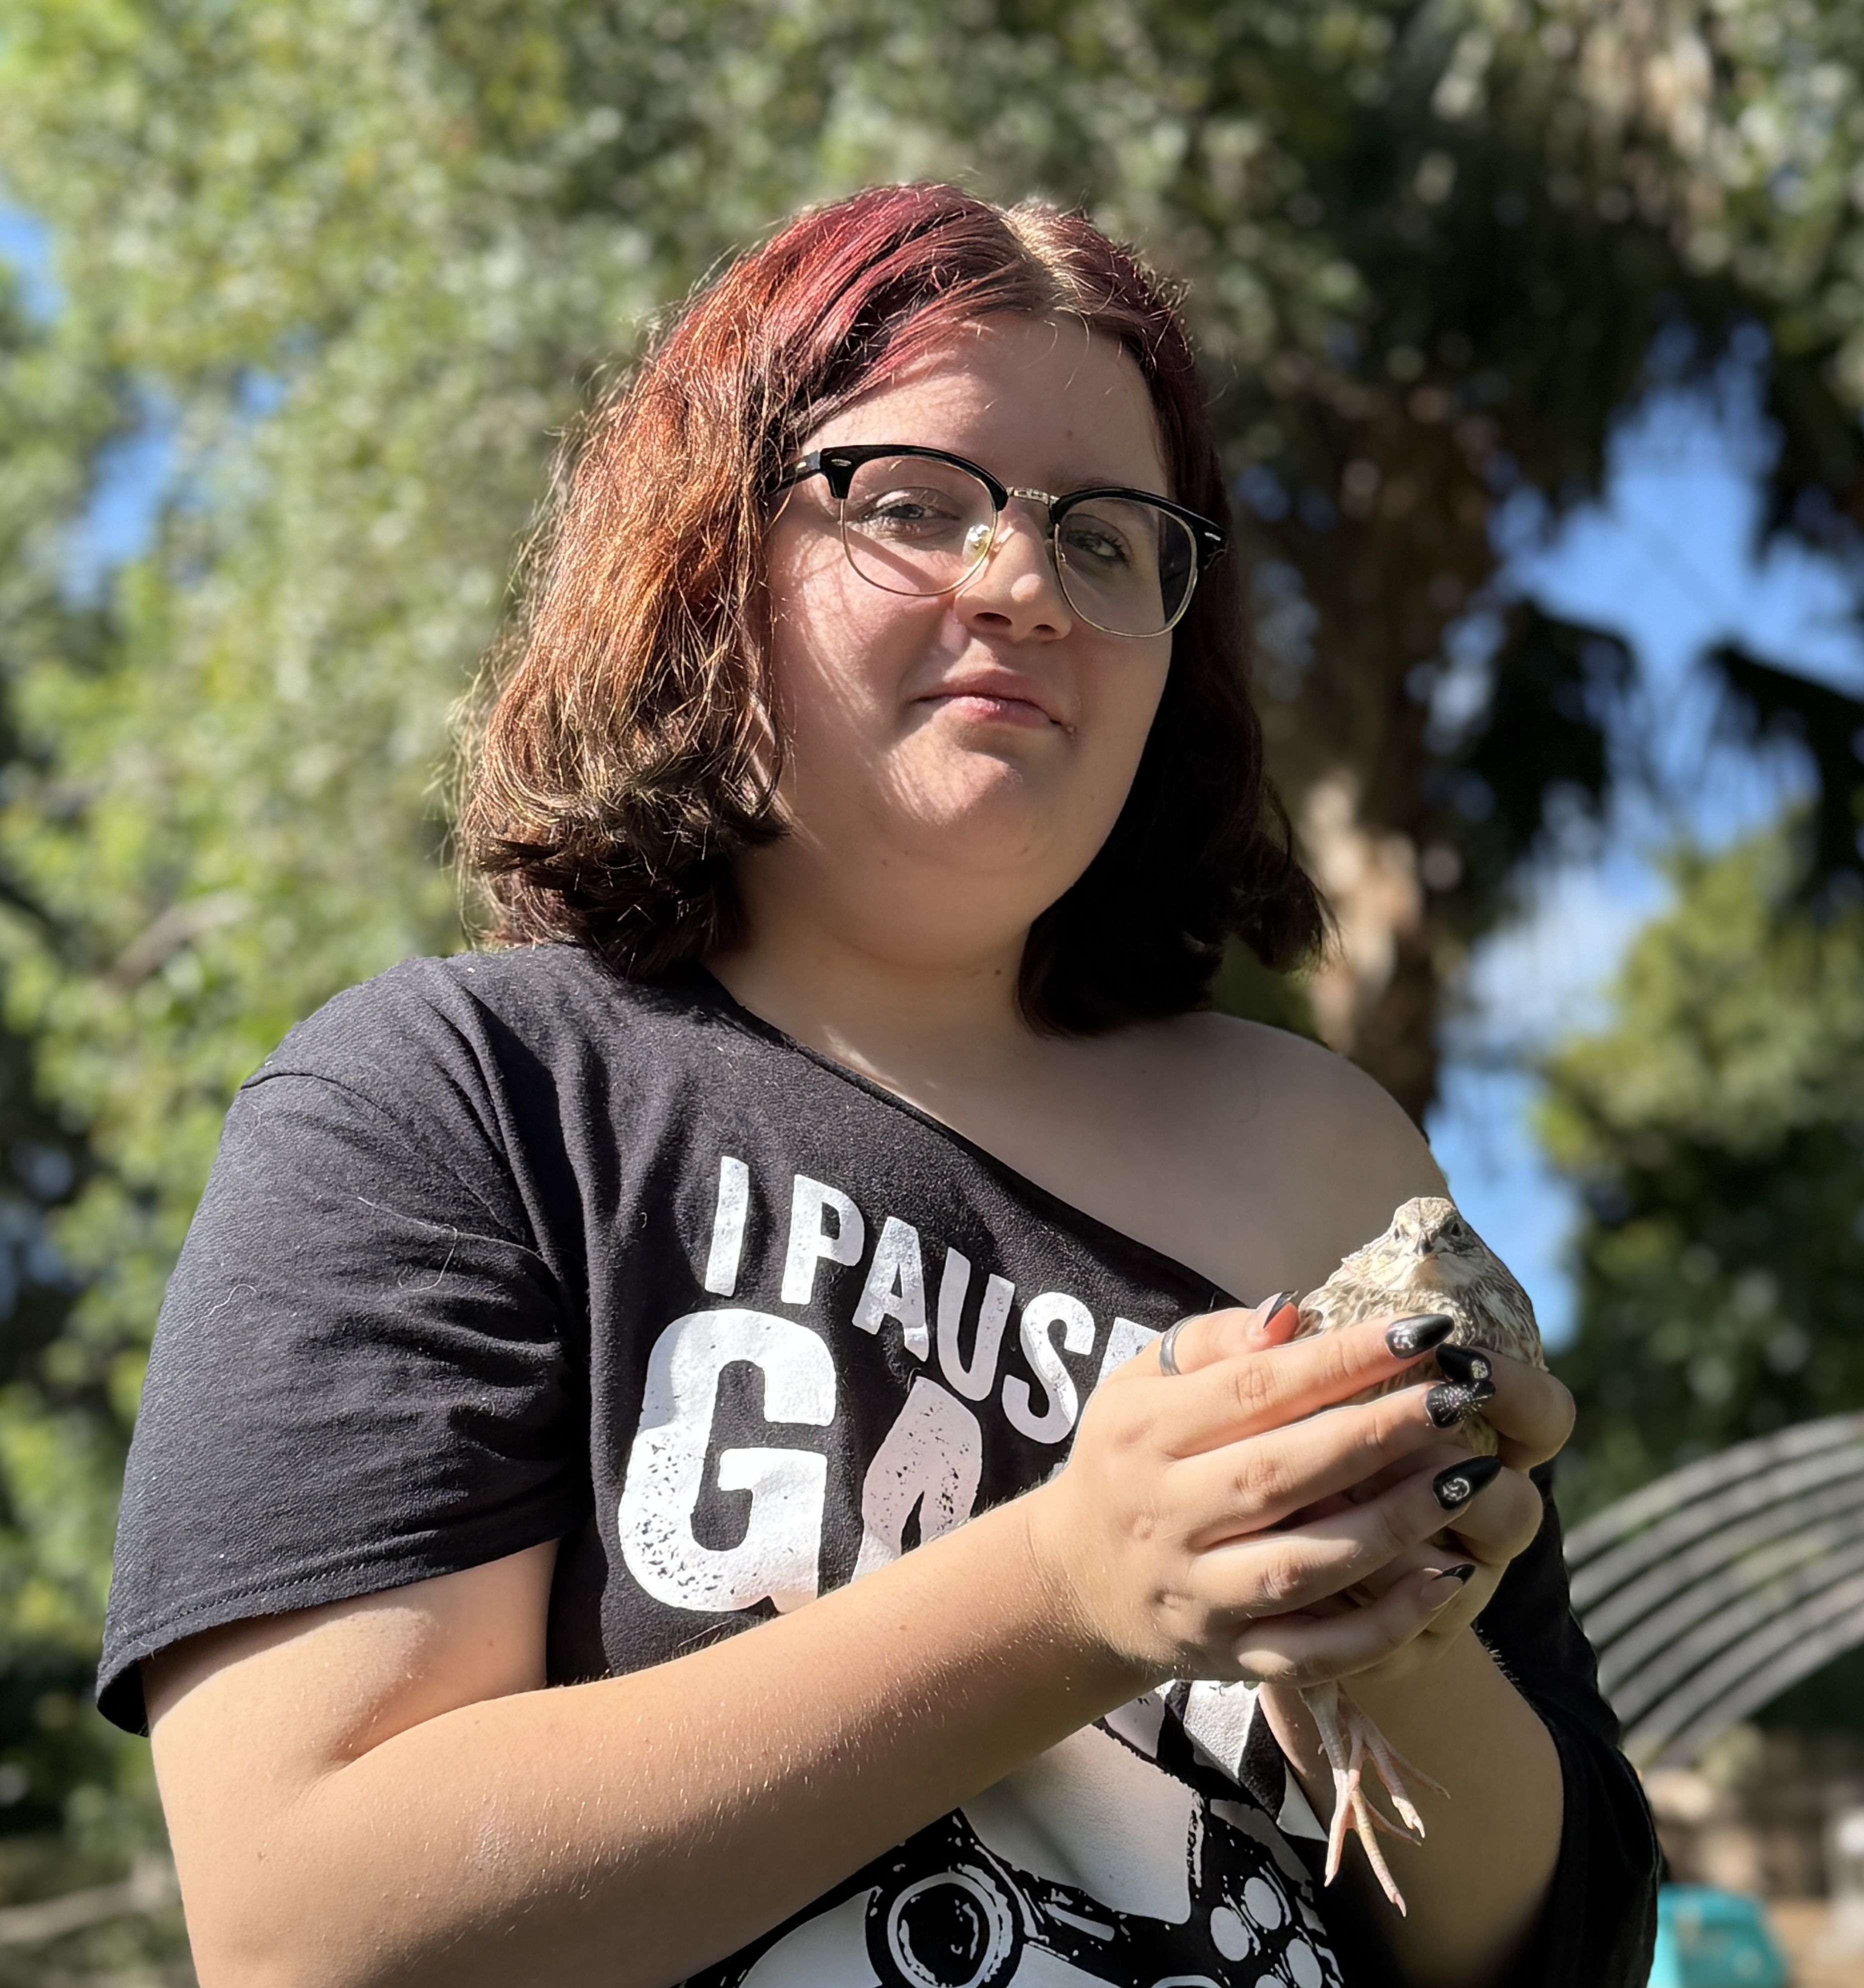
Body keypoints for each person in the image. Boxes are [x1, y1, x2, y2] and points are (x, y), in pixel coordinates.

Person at [98, 184, 1658, 1988]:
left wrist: (1389, 1641)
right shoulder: (456, 1098)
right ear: (708, 549)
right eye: (916, 504)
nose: (1023, 586)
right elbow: (312, 1928)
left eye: (1107, 540)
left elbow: (1551, 1943)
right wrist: (1073, 1587)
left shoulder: (1325, 1152)